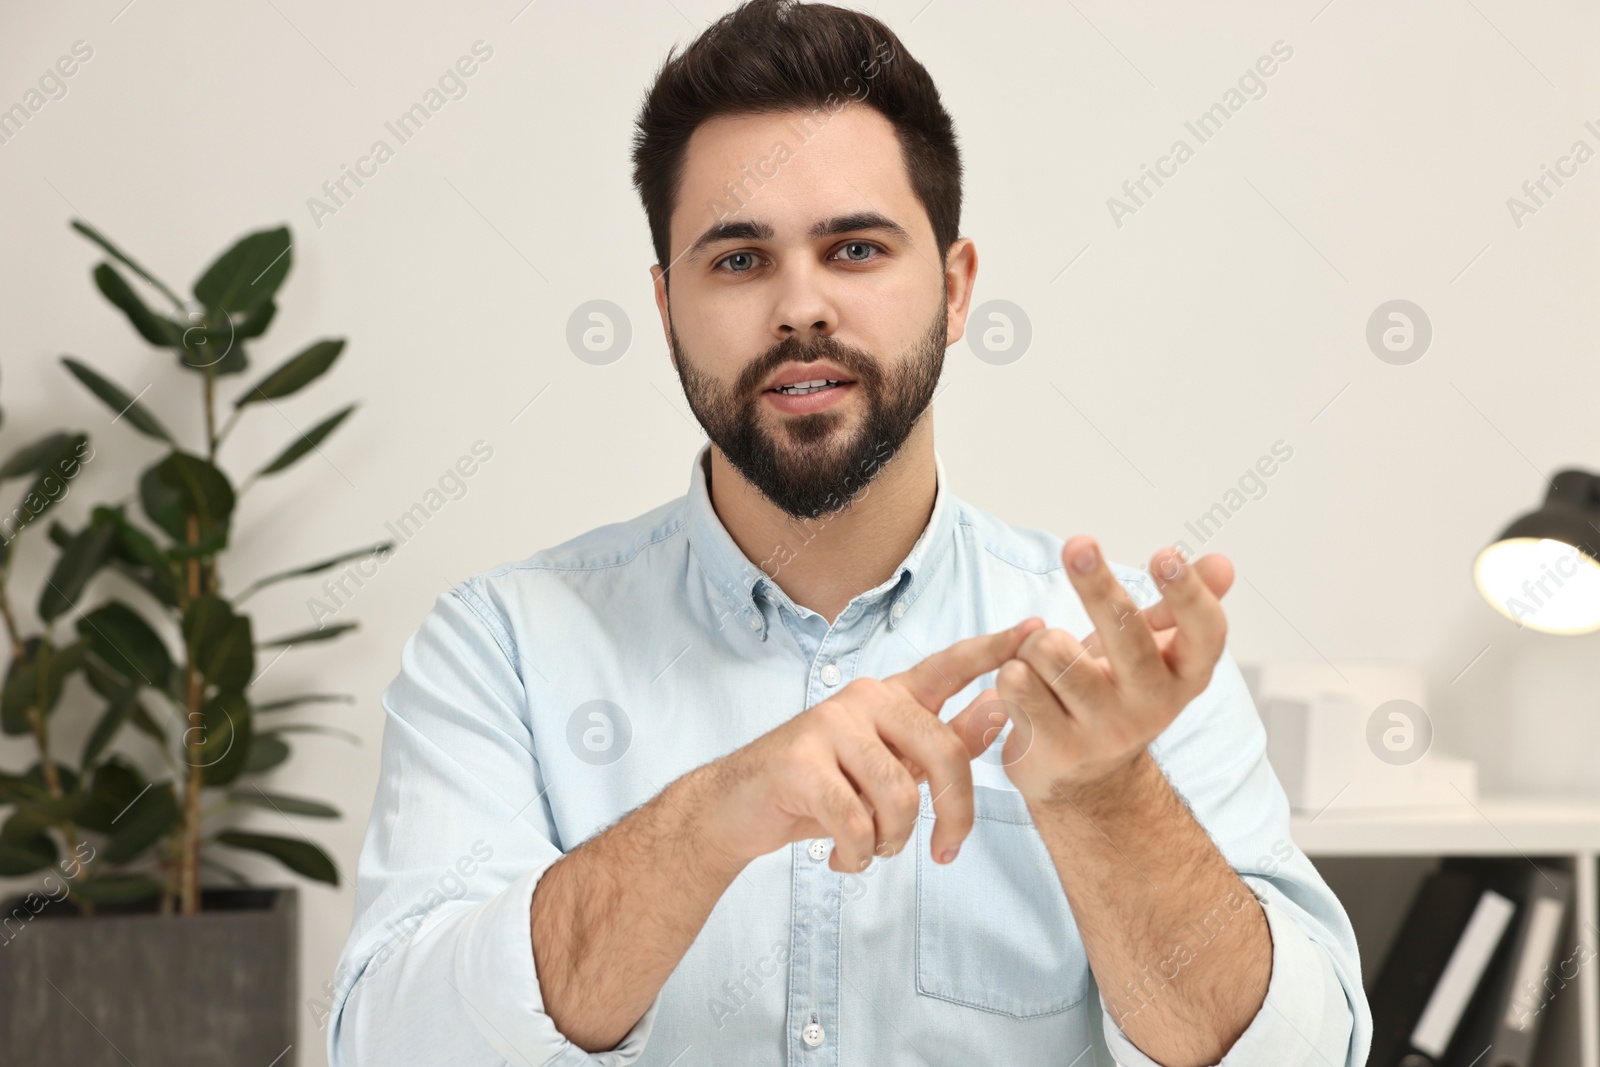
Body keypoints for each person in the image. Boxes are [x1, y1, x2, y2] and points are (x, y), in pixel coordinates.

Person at [328, 2, 1369, 1064]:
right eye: (737, 260)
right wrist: (712, 817)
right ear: (666, 305)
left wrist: (1108, 802)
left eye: (855, 248)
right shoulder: (503, 645)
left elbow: (1303, 1051)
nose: (800, 307)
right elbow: (394, 1043)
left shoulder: (1114, 666)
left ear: (955, 289)